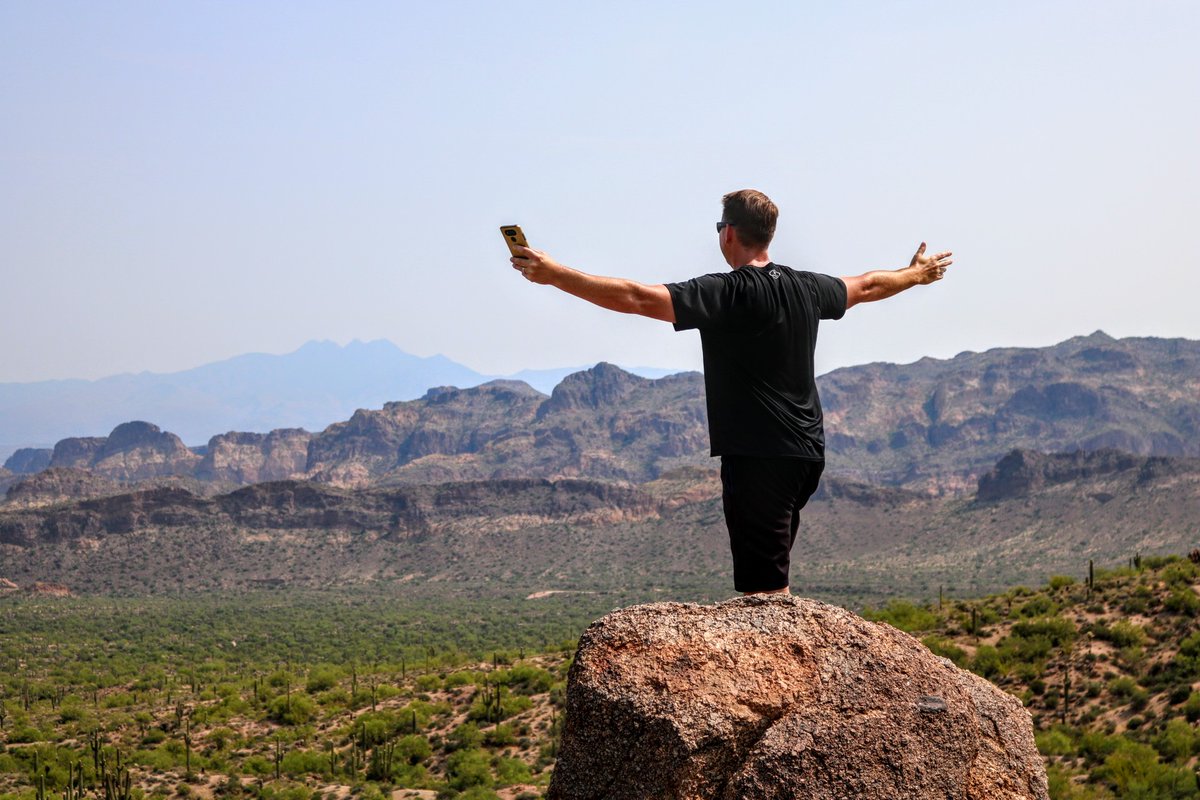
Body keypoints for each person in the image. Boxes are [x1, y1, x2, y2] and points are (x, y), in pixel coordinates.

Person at [510, 189, 952, 596]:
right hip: (806, 453)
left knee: (765, 594)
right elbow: (869, 285)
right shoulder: (807, 286)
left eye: (719, 227)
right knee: (769, 570)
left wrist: (555, 275)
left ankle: (779, 675)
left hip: (761, 457)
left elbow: (637, 298)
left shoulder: (728, 292)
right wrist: (914, 274)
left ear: (730, 233)